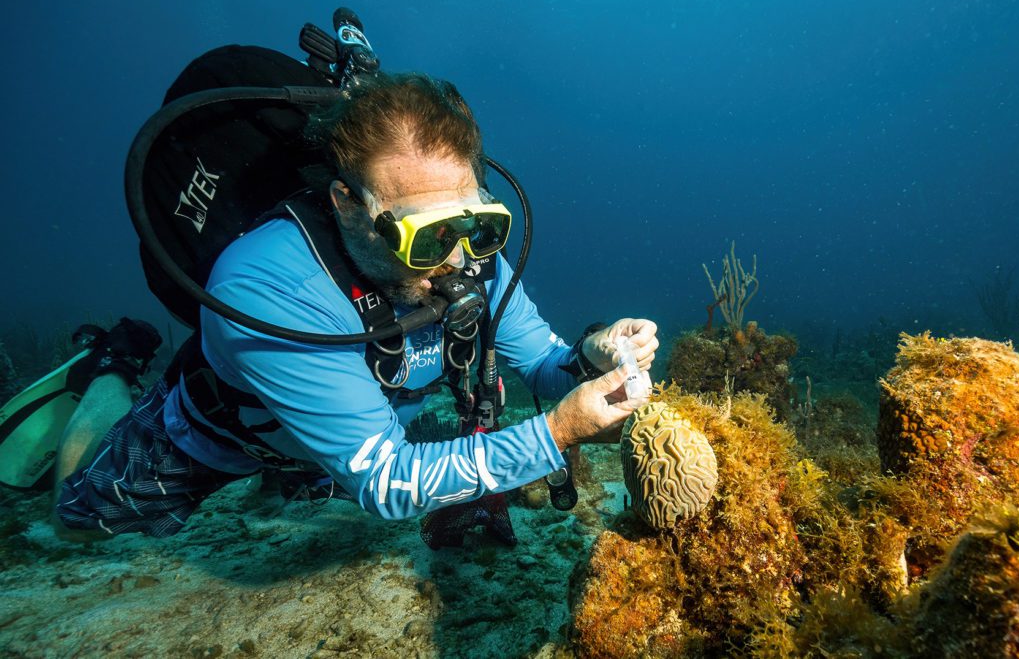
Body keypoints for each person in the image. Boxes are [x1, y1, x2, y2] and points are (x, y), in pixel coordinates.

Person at [52, 72, 659, 542]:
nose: (456, 261)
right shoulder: (267, 287)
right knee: (74, 521)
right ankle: (109, 364)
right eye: (427, 236)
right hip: (228, 436)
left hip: (364, 425)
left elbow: (546, 368)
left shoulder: (468, 251)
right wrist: (558, 432)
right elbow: (386, 480)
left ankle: (301, 478)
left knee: (317, 477)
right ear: (346, 202)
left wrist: (591, 354)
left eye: (475, 225)